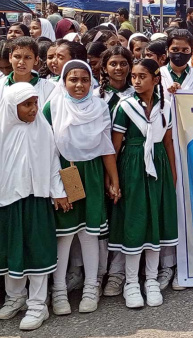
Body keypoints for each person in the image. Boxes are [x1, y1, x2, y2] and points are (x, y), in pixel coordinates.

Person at [44, 61, 118, 316]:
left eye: (84, 79)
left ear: (92, 82)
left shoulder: (99, 107)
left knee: (89, 233)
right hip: (64, 173)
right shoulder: (52, 107)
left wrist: (113, 180)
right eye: (72, 79)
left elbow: (107, 145)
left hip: (93, 174)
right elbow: (49, 151)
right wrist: (58, 189)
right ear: (63, 81)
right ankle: (59, 290)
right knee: (64, 235)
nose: (78, 85)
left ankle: (90, 286)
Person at [108, 59, 178, 308]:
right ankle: (130, 282)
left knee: (155, 219)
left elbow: (168, 142)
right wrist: (113, 179)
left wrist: (172, 174)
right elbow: (115, 146)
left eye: (142, 76)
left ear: (156, 79)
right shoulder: (124, 107)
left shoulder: (166, 106)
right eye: (134, 77)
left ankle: (150, 278)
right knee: (134, 220)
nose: (136, 81)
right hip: (133, 167)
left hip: (157, 166)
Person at [0, 83, 65, 331]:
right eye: (27, 105)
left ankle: (38, 304)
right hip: (7, 200)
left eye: (35, 103)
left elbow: (52, 161)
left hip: (36, 198)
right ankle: (15, 297)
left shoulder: (42, 128)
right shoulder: (2, 128)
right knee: (11, 250)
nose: (34, 109)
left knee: (36, 250)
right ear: (11, 107)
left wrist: (58, 192)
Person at [0, 37, 56, 107]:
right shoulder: (1, 85)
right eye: (17, 57)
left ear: (36, 60)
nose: (21, 62)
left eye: (27, 57)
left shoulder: (49, 88)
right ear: (10, 57)